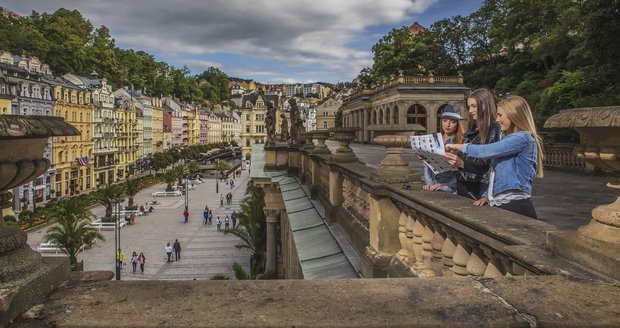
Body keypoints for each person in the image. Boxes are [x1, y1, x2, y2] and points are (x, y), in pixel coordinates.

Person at [445, 95, 543, 219]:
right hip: (504, 203)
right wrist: (488, 195)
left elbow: (486, 151)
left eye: (500, 115)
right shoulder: (511, 139)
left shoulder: (522, 138)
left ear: (513, 115)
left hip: (516, 205)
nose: (497, 119)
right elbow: (494, 173)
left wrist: (459, 146)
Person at [445, 88, 501, 200]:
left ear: (485, 105)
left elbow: (487, 164)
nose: (470, 111)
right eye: (469, 107)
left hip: (480, 188)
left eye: (474, 106)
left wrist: (462, 163)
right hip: (464, 184)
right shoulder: (471, 131)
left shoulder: (494, 130)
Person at [422, 105, 464, 194]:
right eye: (445, 121)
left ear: (458, 124)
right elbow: (426, 164)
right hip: (433, 184)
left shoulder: (461, 142)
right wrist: (429, 183)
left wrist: (446, 187)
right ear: (441, 121)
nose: (447, 125)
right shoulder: (434, 139)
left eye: (452, 122)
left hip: (451, 187)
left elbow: (461, 171)